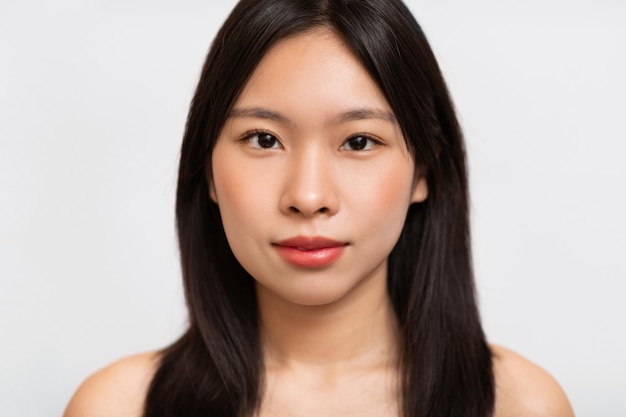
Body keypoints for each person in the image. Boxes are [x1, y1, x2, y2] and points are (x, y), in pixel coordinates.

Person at [64, 0, 575, 416]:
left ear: (424, 172)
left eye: (358, 141)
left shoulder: (518, 405)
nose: (308, 197)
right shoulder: (120, 407)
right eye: (263, 139)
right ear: (208, 171)